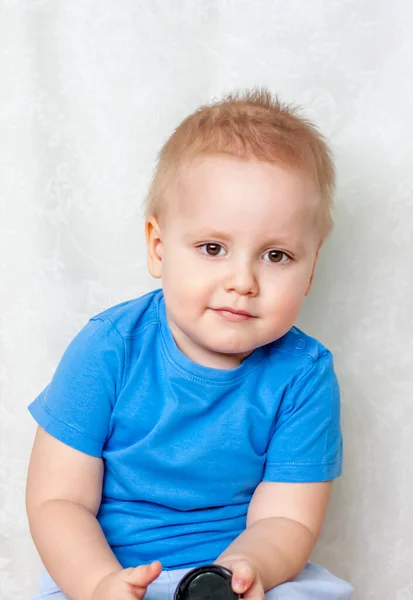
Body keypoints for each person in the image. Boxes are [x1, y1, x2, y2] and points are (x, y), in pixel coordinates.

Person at [26, 89, 353, 600]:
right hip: (106, 571)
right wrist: (98, 584)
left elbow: (288, 517)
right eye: (213, 248)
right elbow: (59, 501)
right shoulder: (109, 349)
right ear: (158, 248)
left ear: (311, 268)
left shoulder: (304, 375)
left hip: (238, 575)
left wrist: (247, 568)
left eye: (276, 255)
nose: (242, 280)